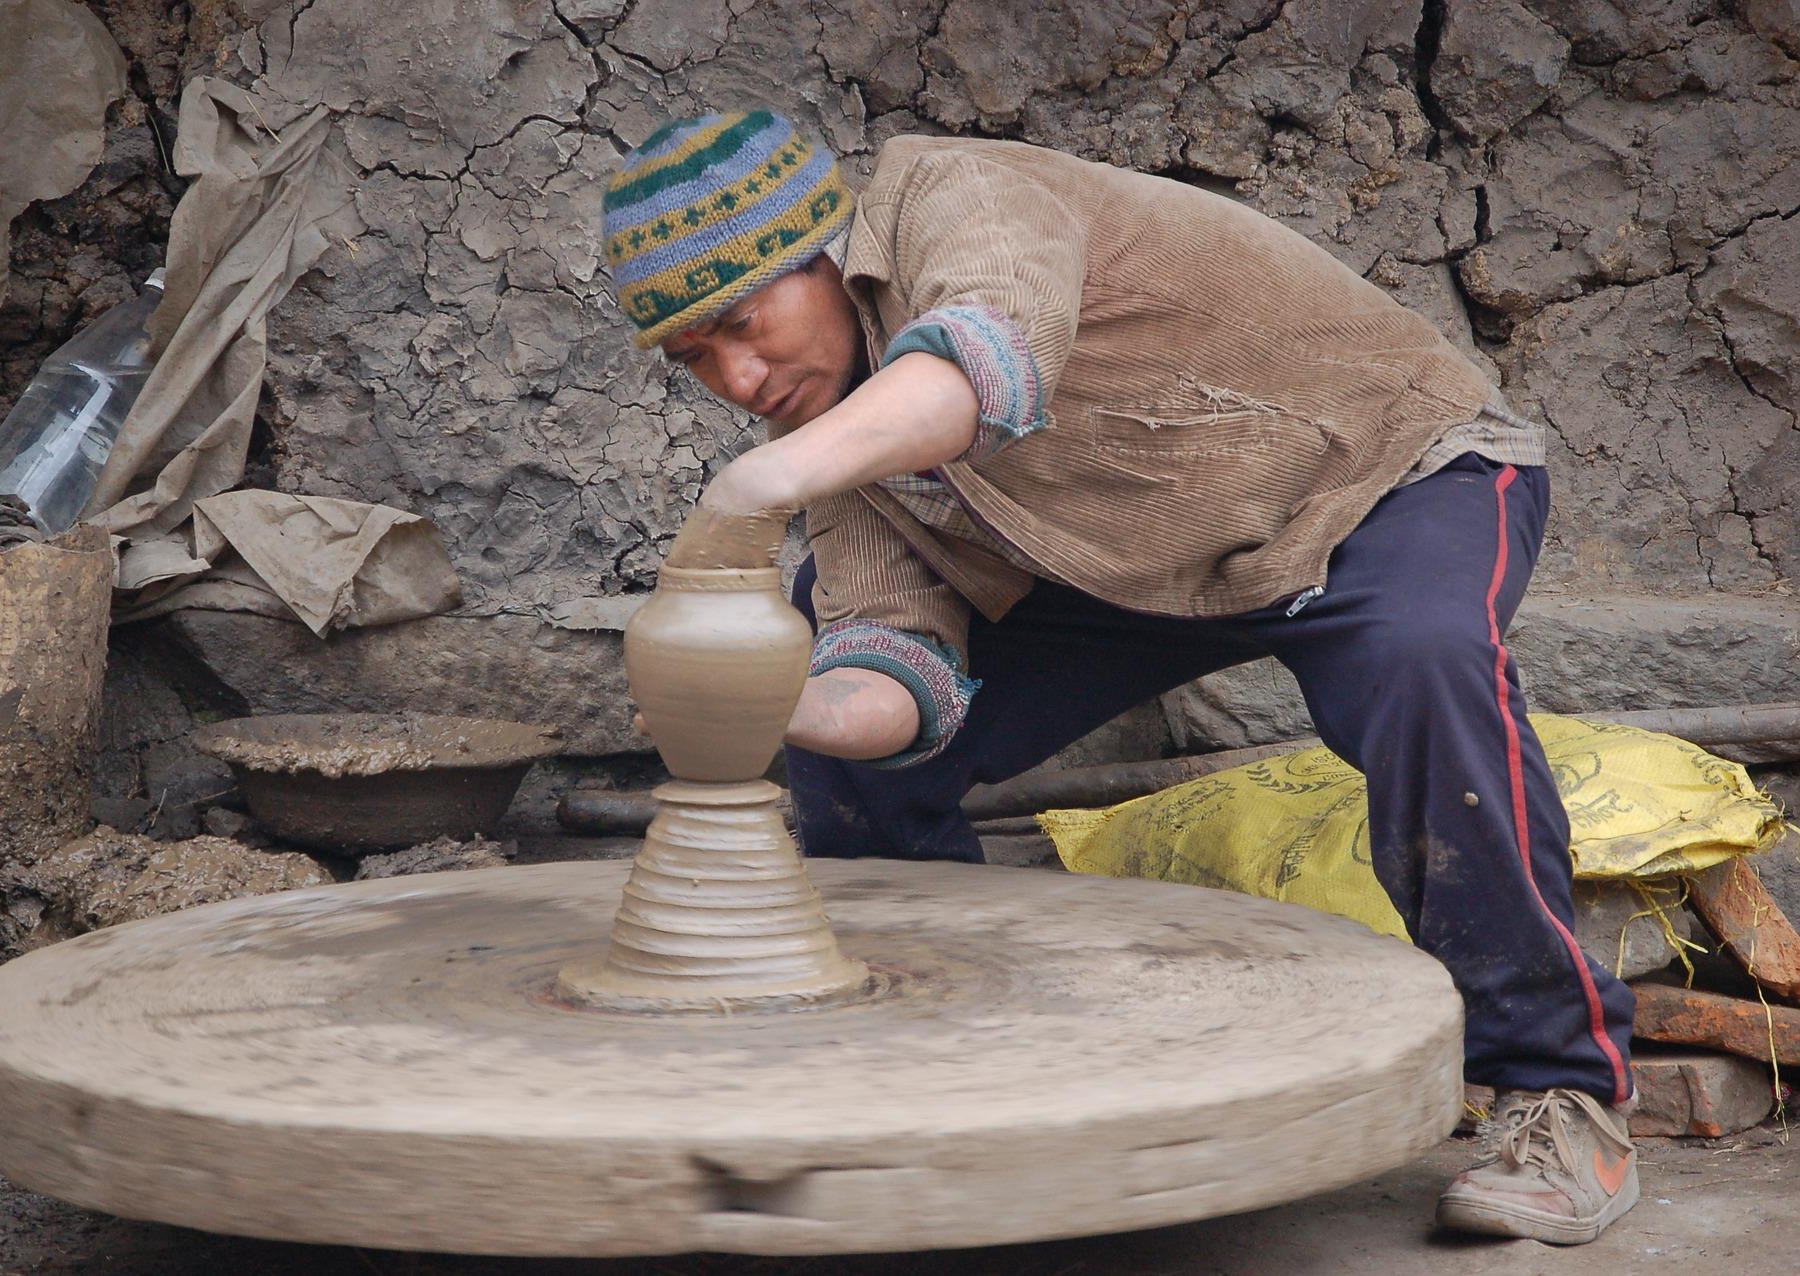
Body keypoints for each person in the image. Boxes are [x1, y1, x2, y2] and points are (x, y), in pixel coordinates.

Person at [599, 108, 1640, 1245]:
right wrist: (775, 703)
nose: (740, 378)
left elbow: (980, 365)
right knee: (821, 691)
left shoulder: (955, 198)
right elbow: (899, 674)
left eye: (742, 324)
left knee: (1421, 659)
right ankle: (932, 1080)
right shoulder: (837, 445)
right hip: (1140, 565)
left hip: (1380, 480)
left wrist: (749, 490)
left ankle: (1560, 1088)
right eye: (696, 360)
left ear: (821, 253)